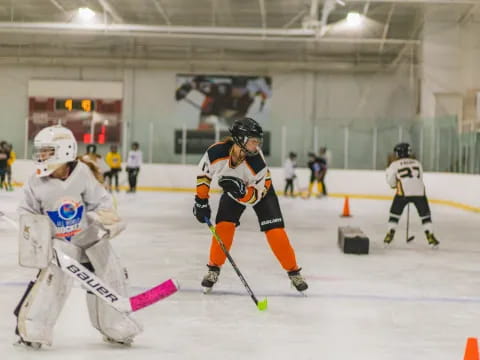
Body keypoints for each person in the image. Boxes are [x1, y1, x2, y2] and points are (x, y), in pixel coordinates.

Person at [14, 125, 142, 349]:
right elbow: (27, 213)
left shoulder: (82, 172)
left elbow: (101, 202)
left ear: (63, 151)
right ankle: (34, 328)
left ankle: (116, 325)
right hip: (59, 245)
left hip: (87, 239)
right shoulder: (35, 182)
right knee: (51, 282)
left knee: (109, 272)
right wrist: (37, 235)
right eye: (41, 151)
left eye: (47, 150)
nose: (41, 155)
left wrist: (104, 220)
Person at [193, 117, 308, 293]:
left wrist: (243, 193)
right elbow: (204, 175)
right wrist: (201, 200)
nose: (257, 145)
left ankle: (294, 272)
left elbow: (256, 196)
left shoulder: (257, 163)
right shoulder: (216, 153)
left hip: (261, 193)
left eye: (258, 141)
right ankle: (213, 269)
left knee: (275, 231)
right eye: (254, 141)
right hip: (234, 193)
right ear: (240, 139)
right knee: (223, 227)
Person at [384, 142, 439, 246]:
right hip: (420, 192)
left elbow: (391, 181)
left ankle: (390, 234)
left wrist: (394, 185)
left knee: (394, 214)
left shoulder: (394, 165)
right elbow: (420, 178)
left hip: (403, 193)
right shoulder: (417, 163)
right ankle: (430, 236)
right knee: (425, 216)